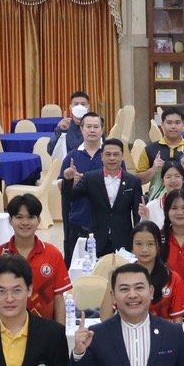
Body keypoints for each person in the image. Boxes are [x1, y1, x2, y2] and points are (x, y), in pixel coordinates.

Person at [0, 194, 72, 320]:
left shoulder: (53, 254)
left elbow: (59, 300)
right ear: (10, 220)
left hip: (45, 329)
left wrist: (60, 331)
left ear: (39, 220)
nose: (25, 222)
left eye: (31, 217)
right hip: (6, 330)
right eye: (19, 217)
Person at [99, 222, 184, 322]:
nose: (144, 249)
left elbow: (177, 324)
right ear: (132, 246)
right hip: (129, 331)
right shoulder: (123, 276)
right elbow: (105, 319)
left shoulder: (173, 278)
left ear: (158, 246)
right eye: (138, 244)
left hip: (162, 332)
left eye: (150, 244)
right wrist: (111, 282)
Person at [68, 137, 144, 257]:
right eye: (108, 154)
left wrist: (138, 241)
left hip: (123, 240)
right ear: (101, 157)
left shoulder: (133, 182)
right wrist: (69, 181)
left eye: (116, 154)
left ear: (122, 157)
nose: (112, 158)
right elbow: (71, 197)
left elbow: (137, 214)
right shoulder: (90, 178)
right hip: (96, 239)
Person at [59, 111, 109, 262]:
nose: (92, 130)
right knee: (76, 262)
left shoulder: (111, 155)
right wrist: (69, 181)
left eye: (96, 127)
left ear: (102, 130)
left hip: (105, 220)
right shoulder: (71, 157)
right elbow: (61, 188)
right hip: (79, 219)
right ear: (81, 129)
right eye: (88, 126)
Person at [143, 163, 184, 234]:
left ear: (183, 180)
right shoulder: (151, 206)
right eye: (168, 177)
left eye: (177, 176)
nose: (173, 180)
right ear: (163, 181)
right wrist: (144, 220)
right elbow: (143, 235)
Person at [138, 104, 184, 187]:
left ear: (183, 125)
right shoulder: (149, 149)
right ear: (162, 125)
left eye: (177, 123)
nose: (173, 126)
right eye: (169, 123)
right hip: (158, 195)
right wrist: (153, 169)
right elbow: (138, 180)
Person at [48, 89, 92, 159]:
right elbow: (51, 150)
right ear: (70, 108)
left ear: (88, 108)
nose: (79, 107)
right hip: (68, 162)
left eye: (83, 104)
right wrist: (62, 131)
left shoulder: (94, 127)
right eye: (76, 104)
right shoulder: (64, 126)